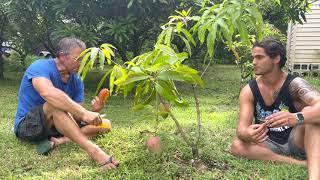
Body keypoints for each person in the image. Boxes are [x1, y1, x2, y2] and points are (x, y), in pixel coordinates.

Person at [14, 37, 119, 170]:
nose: (82, 63)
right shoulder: (40, 66)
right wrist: (83, 113)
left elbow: (75, 115)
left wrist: (94, 111)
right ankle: (95, 151)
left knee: (106, 124)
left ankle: (59, 141)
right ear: (62, 56)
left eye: (84, 59)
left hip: (58, 128)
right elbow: (48, 93)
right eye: (78, 58)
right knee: (55, 105)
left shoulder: (77, 80)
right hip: (28, 126)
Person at [231, 38, 320, 179]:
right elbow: (241, 128)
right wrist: (247, 133)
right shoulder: (249, 90)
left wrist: (296, 118)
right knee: (237, 145)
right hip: (268, 142)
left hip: (296, 139)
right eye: (253, 57)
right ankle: (299, 163)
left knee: (310, 114)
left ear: (276, 58)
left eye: (259, 57)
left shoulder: (295, 84)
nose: (254, 62)